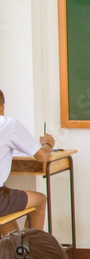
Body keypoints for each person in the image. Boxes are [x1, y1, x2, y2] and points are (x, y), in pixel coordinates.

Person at [0, 89, 55, 234]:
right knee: (40, 200)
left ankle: (18, 252)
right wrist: (48, 144)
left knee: (7, 210)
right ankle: (31, 253)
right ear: (2, 106)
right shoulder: (8, 124)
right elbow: (42, 157)